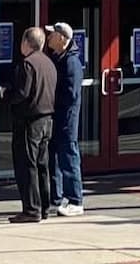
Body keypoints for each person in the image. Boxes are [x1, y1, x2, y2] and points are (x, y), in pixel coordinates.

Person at [5, 26, 57, 224]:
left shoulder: (28, 64)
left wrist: (5, 95)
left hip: (30, 120)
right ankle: (45, 207)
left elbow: (22, 93)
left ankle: (31, 209)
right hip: (47, 119)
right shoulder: (49, 63)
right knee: (42, 164)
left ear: (27, 43)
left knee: (28, 164)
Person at [45, 22, 84, 216]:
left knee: (68, 155)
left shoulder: (71, 62)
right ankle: (56, 198)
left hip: (66, 118)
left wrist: (52, 98)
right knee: (54, 157)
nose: (49, 37)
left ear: (62, 38)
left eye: (52, 34)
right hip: (55, 116)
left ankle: (75, 200)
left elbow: (71, 94)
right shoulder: (56, 58)